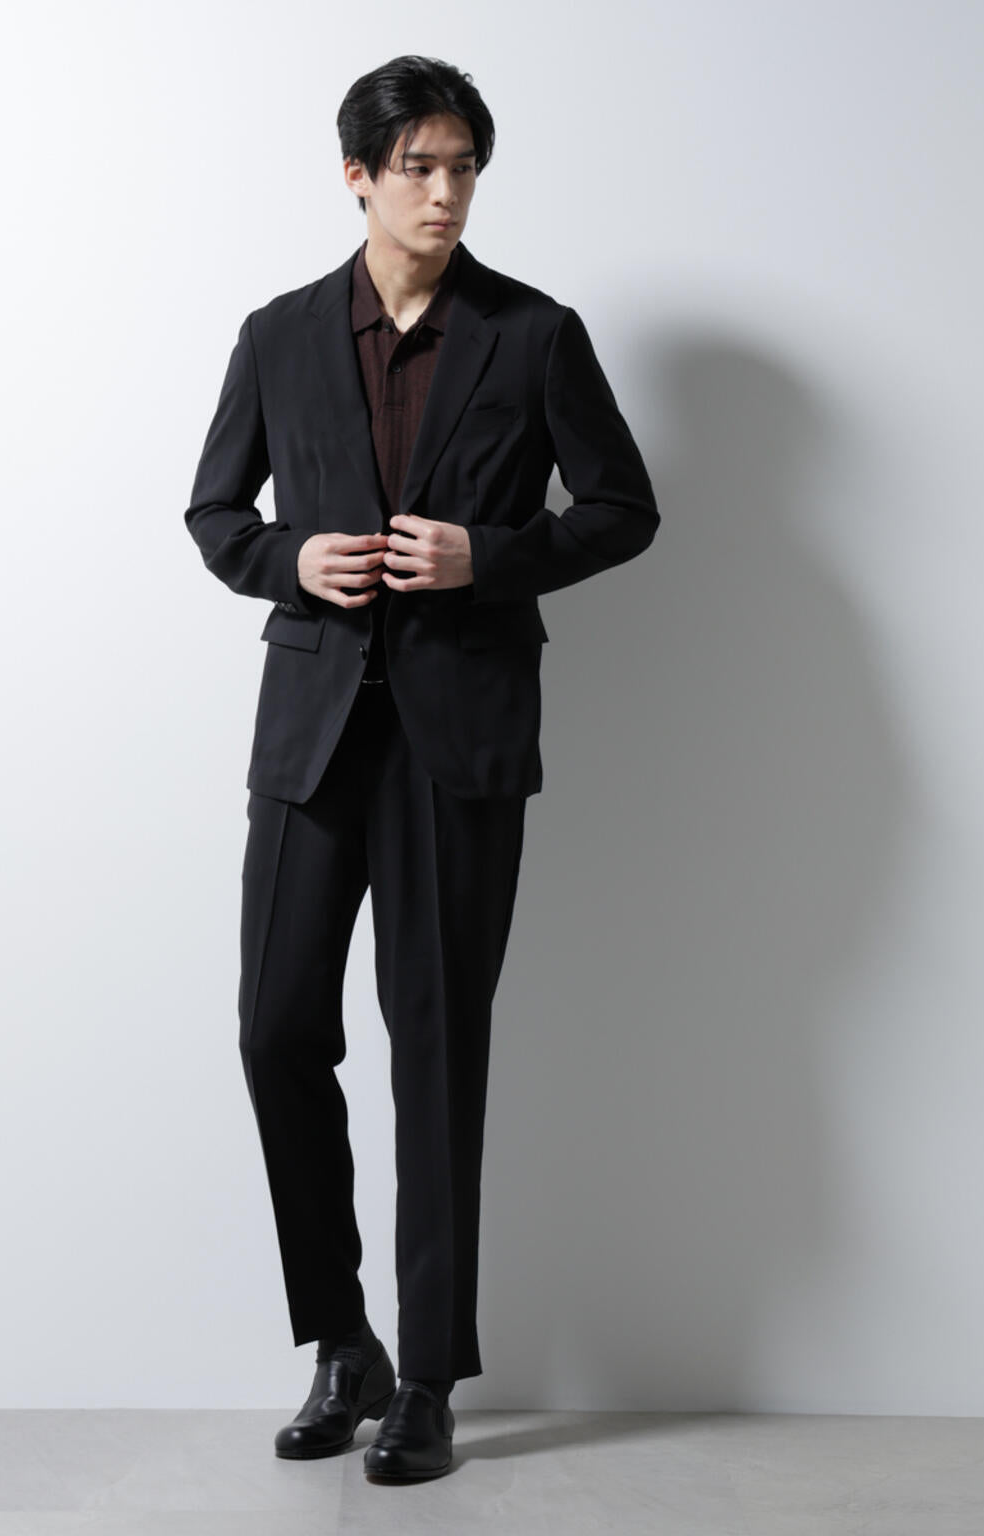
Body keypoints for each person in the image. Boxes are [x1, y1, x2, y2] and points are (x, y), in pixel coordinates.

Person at [184, 54, 659, 1482]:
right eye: (419, 168)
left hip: (458, 744)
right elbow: (216, 512)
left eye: (463, 168)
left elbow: (624, 506)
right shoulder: (279, 335)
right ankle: (345, 1344)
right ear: (359, 176)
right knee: (276, 1029)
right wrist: (290, 558)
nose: (445, 193)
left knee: (438, 1048)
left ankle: (431, 1377)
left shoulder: (533, 334)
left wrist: (488, 557)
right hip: (313, 737)